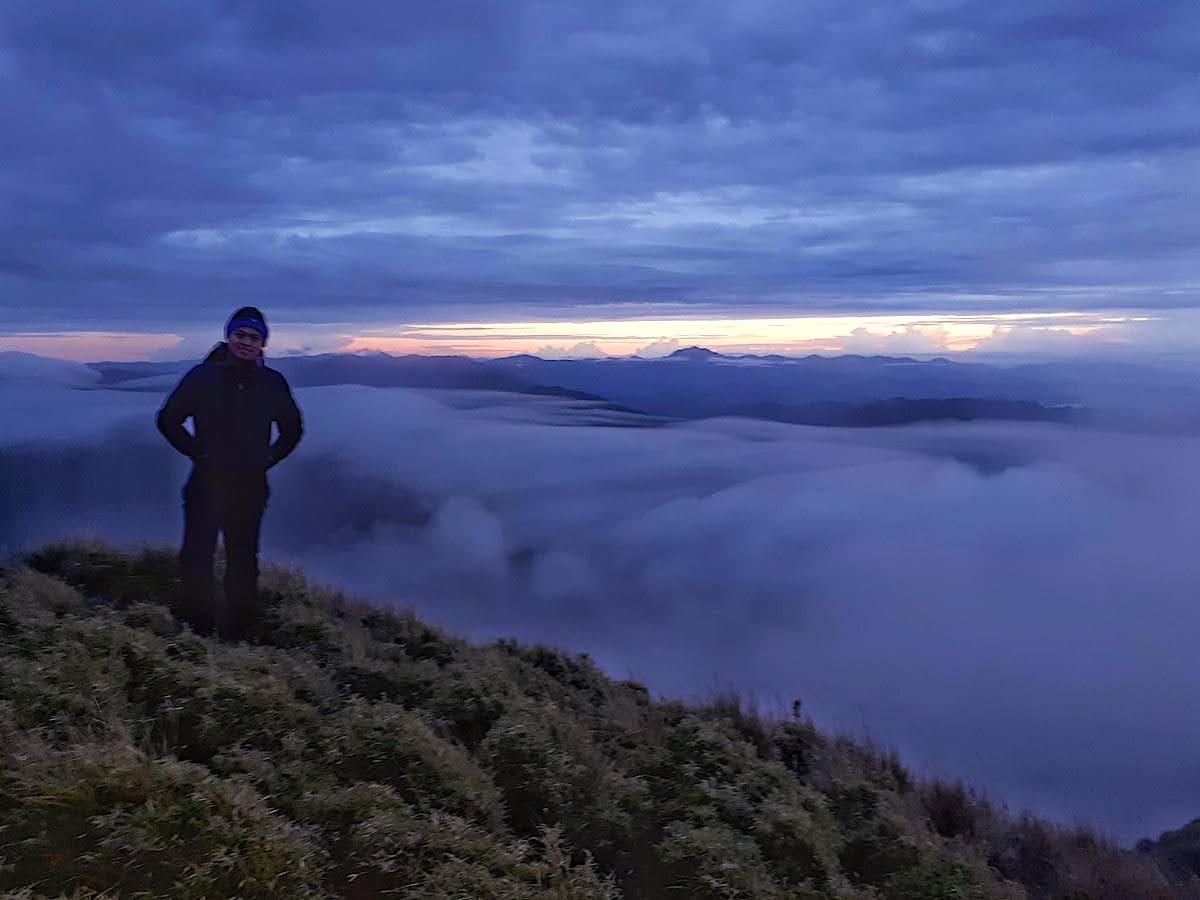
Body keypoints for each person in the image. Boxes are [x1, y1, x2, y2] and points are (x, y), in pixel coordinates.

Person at [156, 307, 303, 638]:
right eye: (240, 335)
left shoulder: (272, 383)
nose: (246, 342)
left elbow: (293, 429)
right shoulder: (202, 377)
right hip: (206, 483)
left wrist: (266, 459)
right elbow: (168, 419)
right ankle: (199, 628)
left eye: (254, 337)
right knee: (197, 555)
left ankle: (239, 630)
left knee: (243, 558)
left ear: (263, 343)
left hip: (250, 486)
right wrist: (198, 452)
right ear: (228, 336)